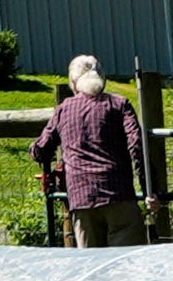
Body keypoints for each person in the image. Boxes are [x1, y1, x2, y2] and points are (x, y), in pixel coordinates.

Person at [45, 55, 158, 245]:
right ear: (102, 79)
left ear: (73, 82)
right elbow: (137, 145)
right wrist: (150, 189)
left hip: (82, 200)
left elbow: (41, 148)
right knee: (127, 264)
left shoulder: (64, 109)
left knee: (93, 267)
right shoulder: (119, 104)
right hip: (119, 195)